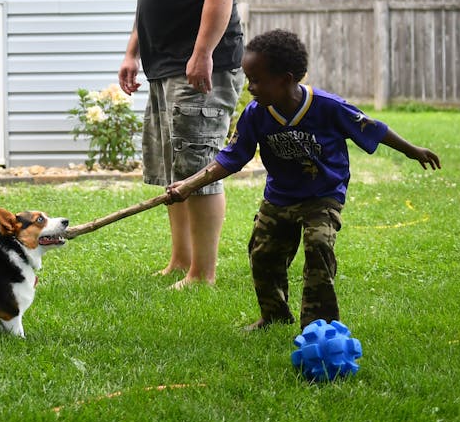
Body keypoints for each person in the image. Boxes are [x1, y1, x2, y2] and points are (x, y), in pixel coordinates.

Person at [167, 29, 441, 330]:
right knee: (263, 253)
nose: (251, 87)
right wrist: (189, 185)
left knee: (319, 245)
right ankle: (274, 316)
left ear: (285, 79)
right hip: (280, 196)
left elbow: (372, 128)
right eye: (248, 79)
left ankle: (319, 326)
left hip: (323, 195)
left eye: (257, 80)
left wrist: (412, 150)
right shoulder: (256, 114)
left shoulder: (328, 106)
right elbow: (232, 157)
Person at [119, 0, 245, 289]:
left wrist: (203, 51)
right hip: (163, 66)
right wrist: (133, 51)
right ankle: (180, 260)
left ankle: (202, 274)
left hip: (199, 65)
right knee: (174, 169)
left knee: (198, 167)